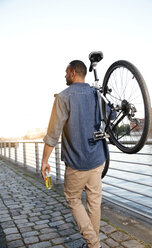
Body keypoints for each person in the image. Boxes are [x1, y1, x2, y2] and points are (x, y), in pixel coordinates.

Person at [41, 60, 108, 248]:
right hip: (97, 159)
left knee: (73, 199)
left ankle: (93, 244)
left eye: (65, 72)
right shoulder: (97, 94)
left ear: (72, 73)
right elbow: (108, 117)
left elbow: (53, 133)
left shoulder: (63, 97)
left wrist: (45, 160)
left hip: (77, 162)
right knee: (94, 202)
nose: (64, 75)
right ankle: (92, 243)